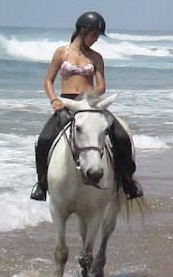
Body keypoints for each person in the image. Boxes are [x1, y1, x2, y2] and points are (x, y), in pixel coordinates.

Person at [30, 11, 142, 201]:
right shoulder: (61, 52)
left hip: (91, 103)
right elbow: (48, 81)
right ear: (83, 30)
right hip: (66, 103)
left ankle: (127, 182)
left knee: (121, 136)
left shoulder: (96, 57)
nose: (96, 39)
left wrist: (91, 98)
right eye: (94, 35)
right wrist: (54, 100)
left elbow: (102, 86)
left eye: (97, 36)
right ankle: (41, 184)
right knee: (44, 139)